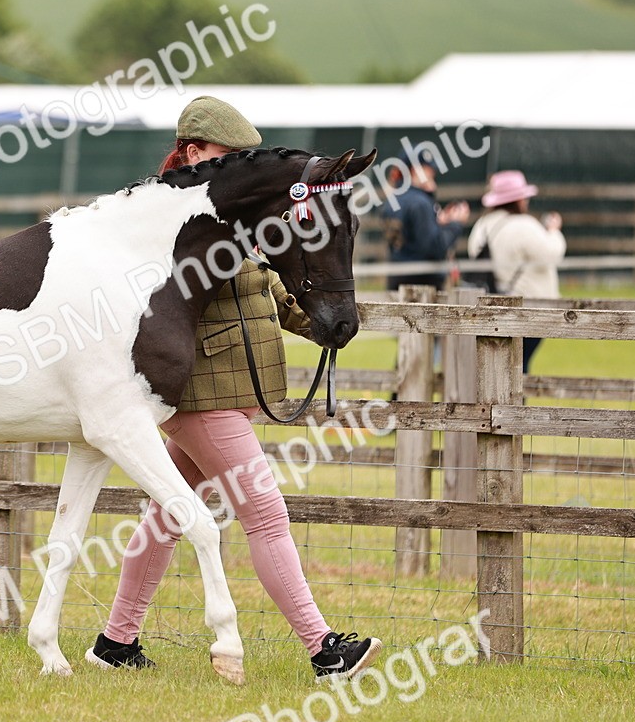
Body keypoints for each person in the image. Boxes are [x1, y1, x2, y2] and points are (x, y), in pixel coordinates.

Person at [87, 96, 382, 682]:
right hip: (200, 390)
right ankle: (324, 650)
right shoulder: (168, 220)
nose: (242, 166)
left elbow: (262, 289)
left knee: (166, 514)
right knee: (266, 514)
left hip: (227, 389)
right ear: (194, 153)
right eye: (230, 155)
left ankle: (115, 643)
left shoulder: (233, 215)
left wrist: (322, 322)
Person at [468, 170, 565, 372]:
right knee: (520, 368)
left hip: (494, 305)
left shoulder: (482, 226)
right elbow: (552, 253)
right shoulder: (524, 225)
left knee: (500, 368)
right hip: (530, 308)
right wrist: (554, 231)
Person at [382, 146, 469, 291]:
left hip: (397, 281)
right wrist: (455, 223)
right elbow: (434, 248)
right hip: (421, 288)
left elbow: (412, 241)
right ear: (415, 170)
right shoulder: (420, 203)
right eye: (428, 168)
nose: (432, 173)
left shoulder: (393, 200)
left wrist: (441, 223)